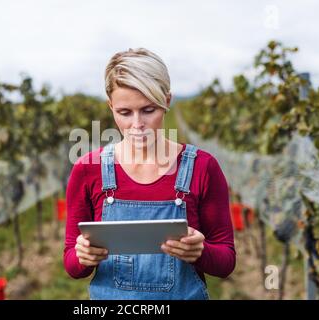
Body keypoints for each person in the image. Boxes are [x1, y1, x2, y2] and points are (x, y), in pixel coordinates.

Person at [63, 48, 236, 300]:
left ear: (166, 101)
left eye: (148, 110)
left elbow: (226, 260)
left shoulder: (202, 167)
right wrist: (82, 257)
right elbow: (71, 263)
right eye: (124, 112)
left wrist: (201, 252)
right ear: (110, 106)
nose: (137, 125)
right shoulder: (87, 170)